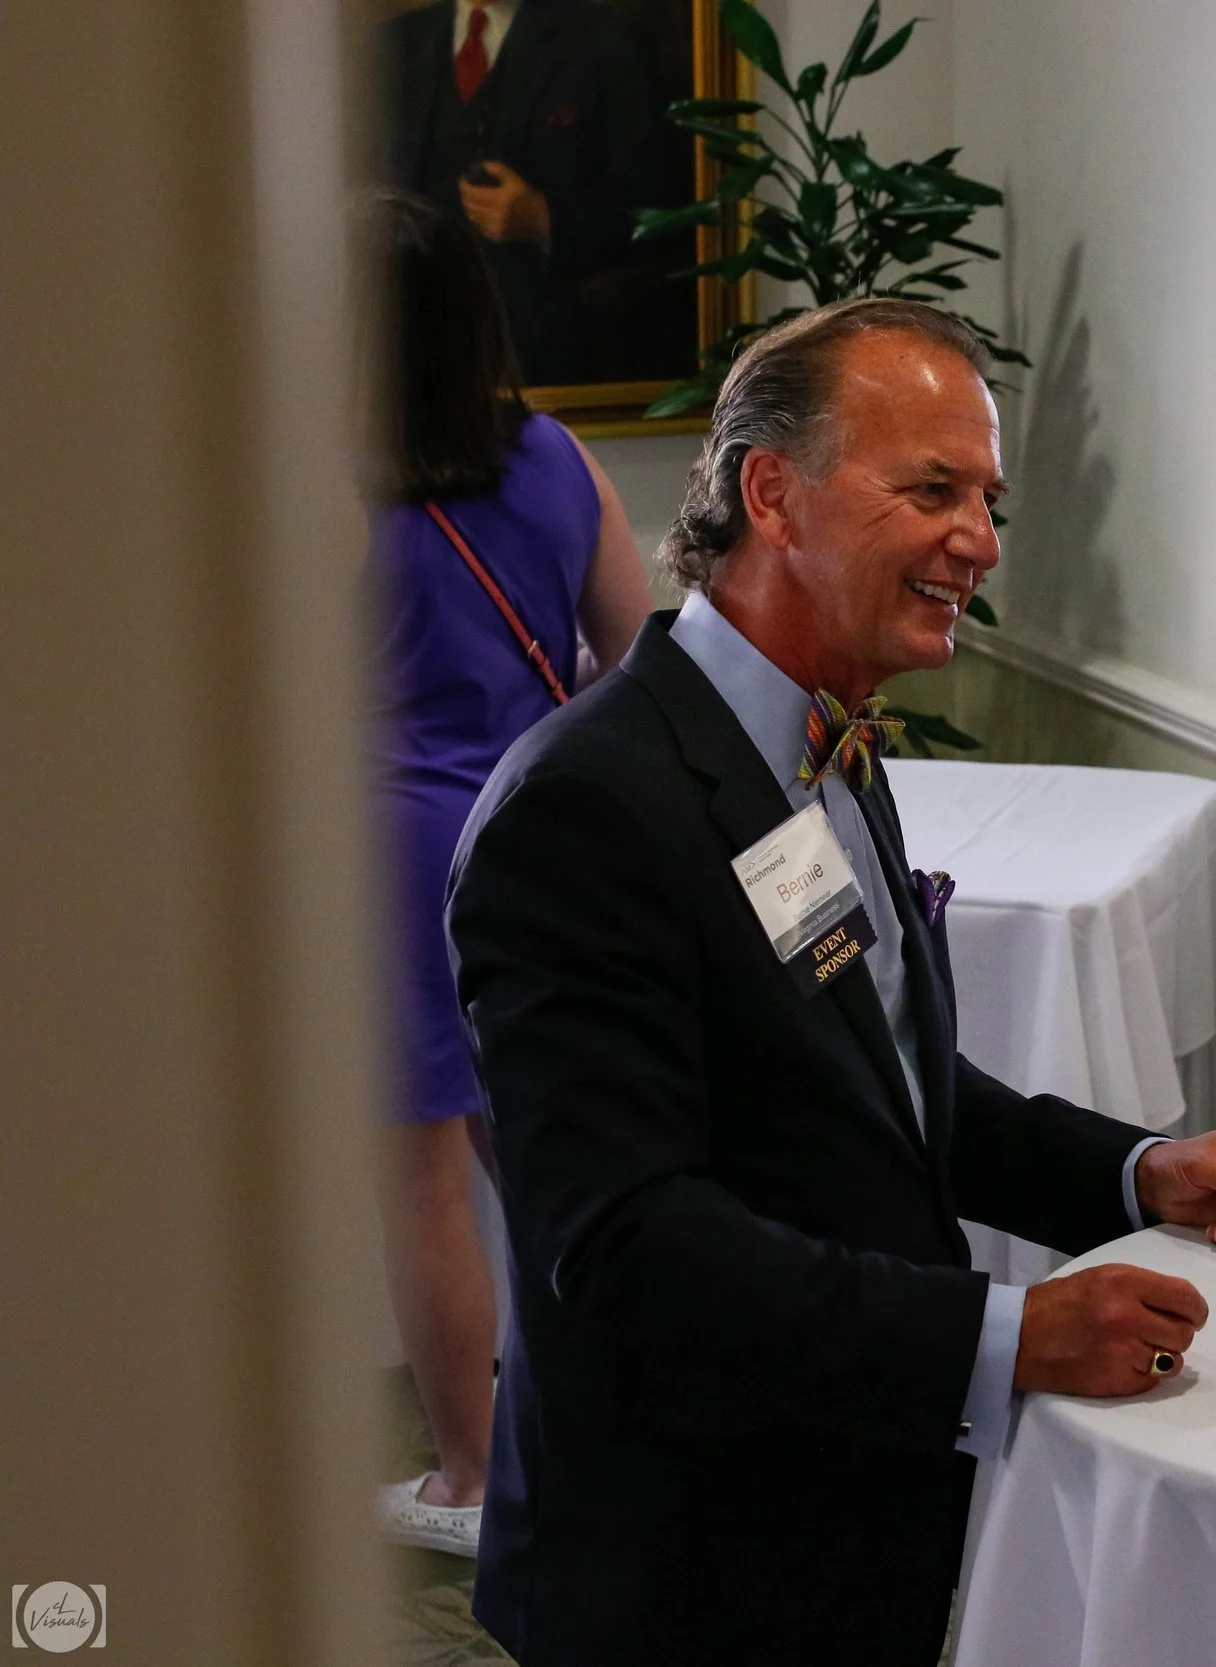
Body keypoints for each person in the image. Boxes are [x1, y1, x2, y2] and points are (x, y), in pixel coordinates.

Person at [446, 296, 1216, 1665]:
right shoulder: (586, 806)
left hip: (843, 1498)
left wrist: (1137, 1170)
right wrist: (1004, 1334)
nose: (982, 539)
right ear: (771, 494)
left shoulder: (825, 743)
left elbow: (878, 1083)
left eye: (987, 499)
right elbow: (628, 1243)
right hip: (682, 1558)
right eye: (932, 489)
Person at [363, 187, 654, 1557]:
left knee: (422, 1180)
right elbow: (634, 656)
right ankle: (592, 1429)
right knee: (542, 1153)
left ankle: (470, 1478)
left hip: (392, 846)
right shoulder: (554, 456)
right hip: (535, 824)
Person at [376, 0, 683, 384]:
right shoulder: (391, 47)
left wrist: (544, 219)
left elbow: (661, 215)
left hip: (554, 356)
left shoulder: (611, 41)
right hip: (415, 354)